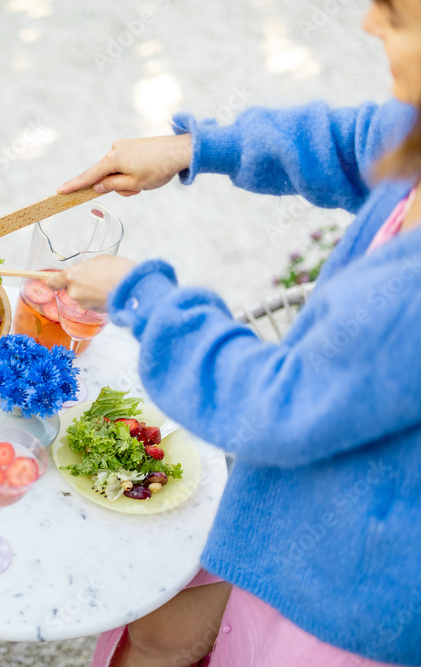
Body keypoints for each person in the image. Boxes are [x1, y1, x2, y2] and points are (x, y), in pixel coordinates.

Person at [47, 1, 421, 665]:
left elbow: (276, 404)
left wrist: (141, 297)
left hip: (355, 588)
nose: (368, 24)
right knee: (164, 631)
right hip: (303, 501)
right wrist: (198, 147)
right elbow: (357, 139)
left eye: (394, 16)